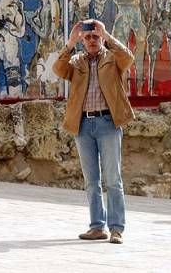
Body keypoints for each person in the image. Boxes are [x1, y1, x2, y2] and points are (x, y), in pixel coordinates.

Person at [52, 19, 135, 244]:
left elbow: (128, 58)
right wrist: (70, 43)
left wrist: (107, 35)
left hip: (108, 123)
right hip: (83, 125)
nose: (91, 41)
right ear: (82, 40)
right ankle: (97, 226)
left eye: (95, 36)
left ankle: (116, 228)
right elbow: (58, 69)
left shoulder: (112, 58)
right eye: (87, 37)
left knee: (113, 179)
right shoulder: (76, 61)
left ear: (101, 38)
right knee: (91, 180)